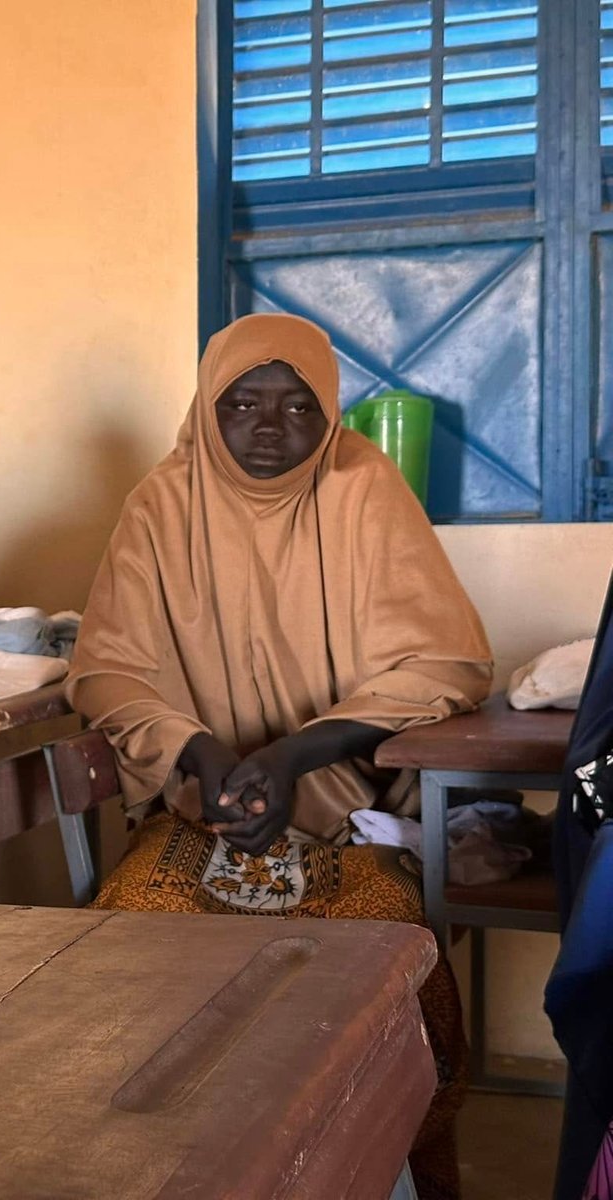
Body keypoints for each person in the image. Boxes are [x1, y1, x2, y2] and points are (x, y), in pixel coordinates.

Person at [67, 313, 492, 1200]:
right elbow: (107, 670)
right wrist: (204, 758)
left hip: (347, 813)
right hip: (199, 803)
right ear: (205, 409)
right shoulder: (161, 502)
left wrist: (296, 757)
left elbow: (447, 662)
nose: (269, 426)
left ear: (331, 413)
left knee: (391, 968)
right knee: (130, 943)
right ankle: (168, 1177)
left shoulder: (362, 488)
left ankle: (380, 1175)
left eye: (298, 404)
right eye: (242, 403)